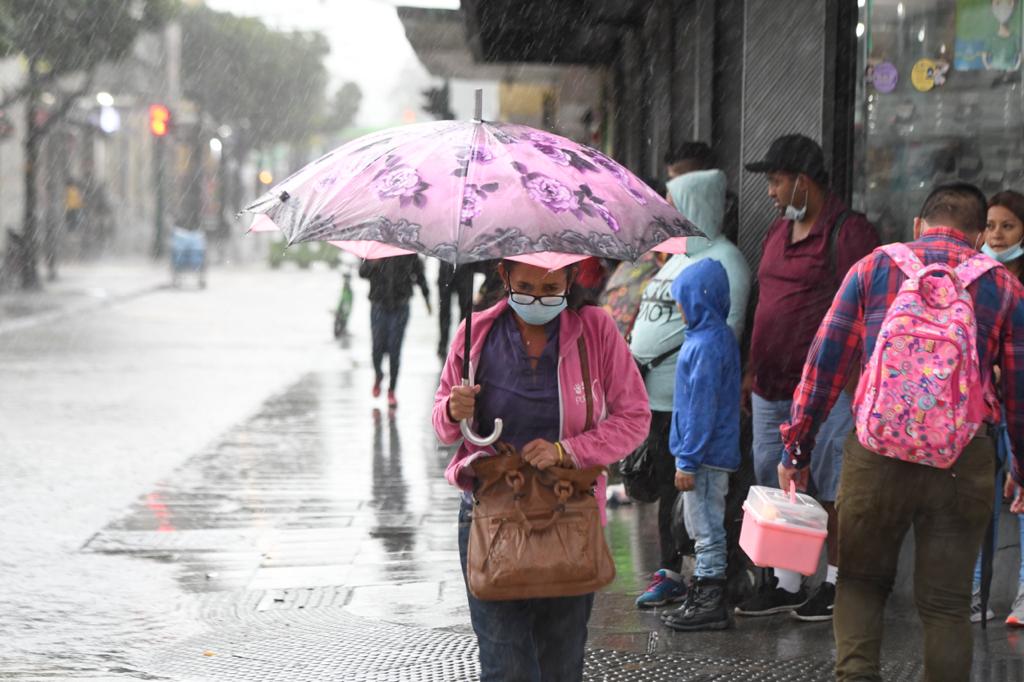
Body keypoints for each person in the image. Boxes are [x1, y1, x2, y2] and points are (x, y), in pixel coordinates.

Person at [780, 182, 1024, 681]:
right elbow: (1021, 395)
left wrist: (797, 447)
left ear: (918, 225)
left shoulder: (873, 267)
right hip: (961, 460)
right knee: (947, 605)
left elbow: (823, 364)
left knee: (863, 584)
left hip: (877, 455)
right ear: (978, 237)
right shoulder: (1004, 286)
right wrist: (1020, 466)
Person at [432, 259, 650, 681]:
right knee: (504, 663)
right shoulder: (475, 332)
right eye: (526, 285)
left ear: (571, 280)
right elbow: (443, 428)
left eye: (551, 287)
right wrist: (452, 409)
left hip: (568, 518)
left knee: (560, 663)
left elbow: (634, 417)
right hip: (490, 518)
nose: (537, 298)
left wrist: (567, 450)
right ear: (504, 276)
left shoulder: (596, 331)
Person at [738, 134, 880, 621]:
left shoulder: (849, 232)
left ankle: (837, 583)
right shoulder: (778, 233)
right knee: (777, 487)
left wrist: (852, 384)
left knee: (834, 488)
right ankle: (787, 582)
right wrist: (751, 371)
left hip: (826, 390)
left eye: (777, 182)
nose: (772, 193)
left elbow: (871, 309)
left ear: (803, 181)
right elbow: (765, 304)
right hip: (769, 386)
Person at [631, 169, 750, 608]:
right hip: (665, 402)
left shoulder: (724, 261)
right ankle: (674, 571)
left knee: (697, 503)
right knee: (669, 491)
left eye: (673, 202)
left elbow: (723, 337)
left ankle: (706, 579)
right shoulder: (679, 257)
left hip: (691, 409)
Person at [660, 259, 741, 632]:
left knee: (705, 528)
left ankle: (709, 601)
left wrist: (687, 461)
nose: (679, 307)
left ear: (699, 299)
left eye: (683, 299)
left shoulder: (707, 345)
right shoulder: (711, 337)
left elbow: (701, 408)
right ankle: (705, 595)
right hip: (709, 455)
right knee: (703, 525)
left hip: (705, 458)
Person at [970, 190, 1024, 626]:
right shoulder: (977, 281)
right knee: (977, 502)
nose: (998, 235)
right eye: (990, 226)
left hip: (1019, 408)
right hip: (986, 409)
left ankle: (1023, 594)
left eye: (1008, 225)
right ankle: (973, 594)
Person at [358, 254, 431, 409]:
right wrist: (373, 263)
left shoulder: (407, 249)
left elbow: (419, 274)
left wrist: (427, 297)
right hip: (378, 304)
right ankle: (378, 374)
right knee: (377, 347)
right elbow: (362, 272)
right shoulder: (374, 247)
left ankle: (392, 389)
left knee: (394, 348)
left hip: (400, 305)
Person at [665, 142, 739, 245]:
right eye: (672, 181)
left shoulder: (727, 207)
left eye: (681, 180)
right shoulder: (673, 207)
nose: (675, 188)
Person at [437, 263, 474, 358]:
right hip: (447, 273)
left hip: (464, 272)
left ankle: (461, 342)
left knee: (464, 312)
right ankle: (444, 343)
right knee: (445, 312)